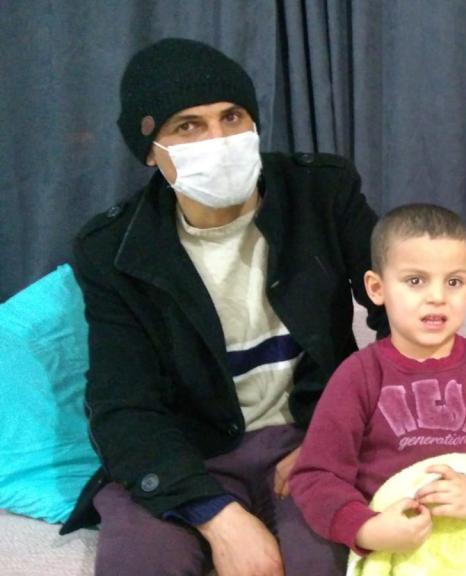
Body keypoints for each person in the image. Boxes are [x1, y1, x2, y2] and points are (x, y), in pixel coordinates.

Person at [60, 38, 387, 576]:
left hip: (313, 434)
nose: (218, 140)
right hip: (189, 450)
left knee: (328, 559)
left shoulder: (321, 192)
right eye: (188, 126)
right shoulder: (112, 250)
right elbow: (123, 405)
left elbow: (402, 313)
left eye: (232, 117)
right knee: (143, 565)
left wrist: (339, 435)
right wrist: (216, 516)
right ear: (150, 150)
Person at [289, 204, 466, 567]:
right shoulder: (358, 375)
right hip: (399, 547)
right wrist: (366, 529)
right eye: (416, 280)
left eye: (454, 282)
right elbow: (316, 475)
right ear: (376, 288)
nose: (437, 296)